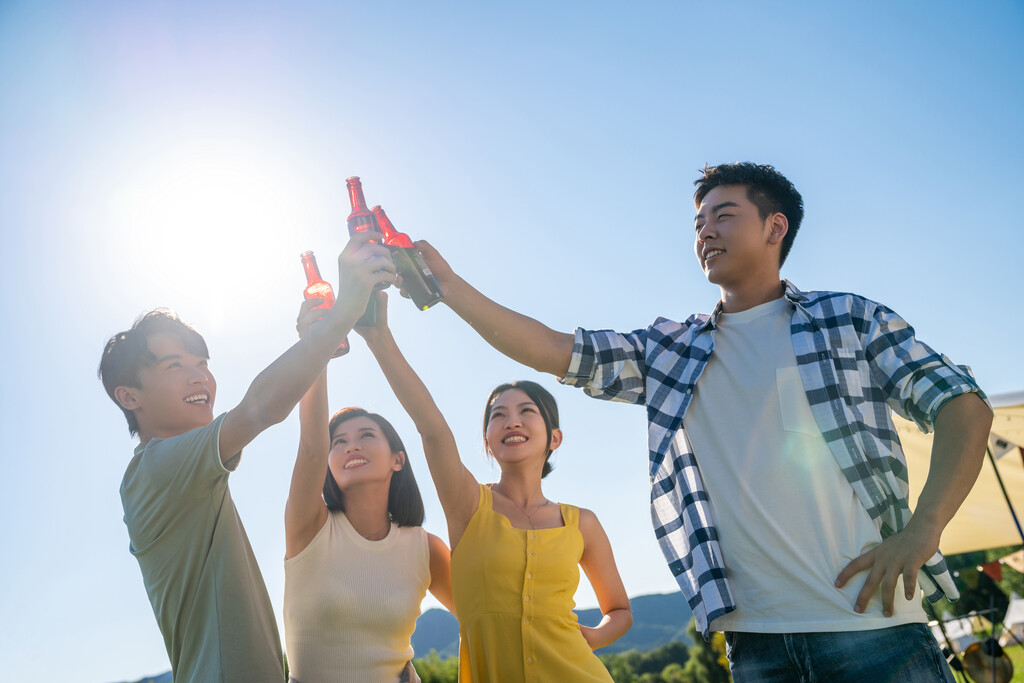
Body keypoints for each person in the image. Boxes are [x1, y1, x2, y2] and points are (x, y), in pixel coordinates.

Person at [409, 162, 994, 682]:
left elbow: (963, 406)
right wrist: (447, 282)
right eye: (698, 223)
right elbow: (550, 347)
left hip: (876, 635)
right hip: (758, 647)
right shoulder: (672, 352)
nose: (704, 232)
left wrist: (924, 531)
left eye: (723, 215)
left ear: (775, 227)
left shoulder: (849, 319)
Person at [97, 233, 395, 683]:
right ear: (129, 395)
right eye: (174, 365)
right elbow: (260, 408)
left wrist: (315, 347)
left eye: (203, 362)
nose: (199, 376)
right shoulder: (155, 470)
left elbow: (312, 449)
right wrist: (344, 313)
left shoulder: (189, 473)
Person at [359, 292, 631, 682]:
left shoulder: (582, 523)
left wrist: (593, 636)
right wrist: (379, 338)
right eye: (497, 415)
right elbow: (432, 429)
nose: (511, 421)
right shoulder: (468, 504)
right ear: (487, 440)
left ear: (554, 437)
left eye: (527, 412)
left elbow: (619, 610)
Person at [282, 298, 455, 683]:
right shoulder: (309, 527)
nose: (350, 446)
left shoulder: (425, 548)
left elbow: (485, 619)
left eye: (365, 436)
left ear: (398, 459)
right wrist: (316, 343)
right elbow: (311, 444)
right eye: (339, 442)